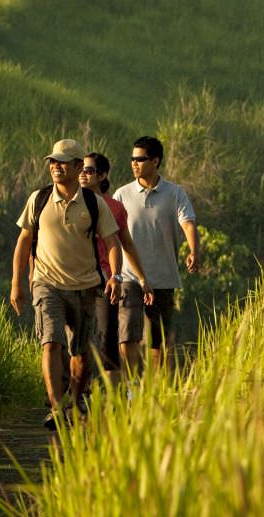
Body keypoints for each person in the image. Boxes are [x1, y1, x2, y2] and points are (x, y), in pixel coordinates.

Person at [10, 139, 151, 428]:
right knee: (50, 342)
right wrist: (17, 284)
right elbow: (24, 241)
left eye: (63, 162)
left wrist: (114, 276)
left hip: (86, 286)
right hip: (46, 283)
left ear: (77, 167)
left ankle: (74, 399)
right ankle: (57, 406)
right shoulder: (38, 199)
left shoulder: (94, 203)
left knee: (81, 353)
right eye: (52, 162)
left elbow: (114, 243)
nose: (56, 167)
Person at [113, 135, 200, 373]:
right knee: (127, 333)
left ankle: (154, 389)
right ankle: (131, 385)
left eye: (140, 159)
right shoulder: (122, 194)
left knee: (158, 340)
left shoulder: (175, 193)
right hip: (129, 276)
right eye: (132, 159)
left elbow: (188, 223)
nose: (134, 164)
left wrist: (194, 250)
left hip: (163, 277)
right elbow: (110, 234)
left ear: (155, 161)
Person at [78, 152, 148, 385]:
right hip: (73, 279)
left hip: (104, 280)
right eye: (81, 169)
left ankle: (112, 401)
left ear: (103, 175)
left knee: (107, 338)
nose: (82, 175)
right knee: (77, 340)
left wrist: (140, 277)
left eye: (89, 170)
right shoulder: (69, 202)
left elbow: (125, 244)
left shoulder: (114, 208)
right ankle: (76, 395)